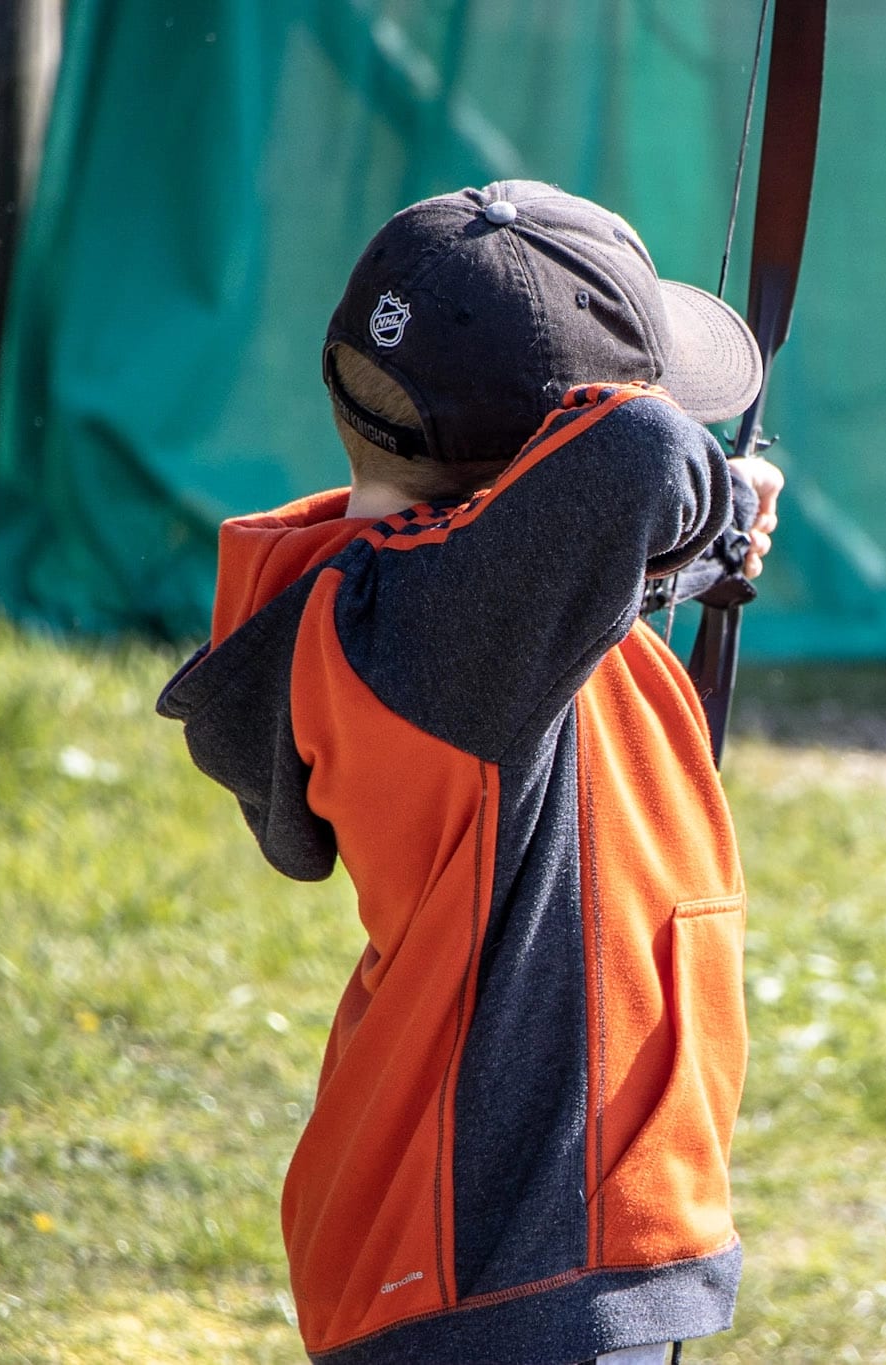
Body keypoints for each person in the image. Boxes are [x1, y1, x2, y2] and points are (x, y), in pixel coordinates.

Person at [158, 180, 784, 1365]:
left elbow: (563, 535)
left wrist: (679, 564)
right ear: (532, 472)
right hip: (497, 1261)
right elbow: (642, 456)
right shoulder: (442, 649)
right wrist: (699, 525)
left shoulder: (383, 607)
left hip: (494, 1245)